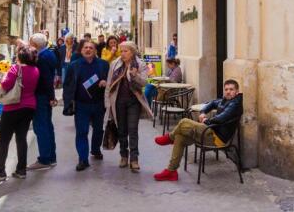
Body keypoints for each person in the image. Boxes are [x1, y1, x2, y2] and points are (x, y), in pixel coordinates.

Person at [153, 79, 243, 182]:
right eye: (226, 89)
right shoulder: (225, 100)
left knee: (184, 122)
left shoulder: (235, 104)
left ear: (237, 91)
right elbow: (213, 103)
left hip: (216, 138)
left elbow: (220, 118)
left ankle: (169, 137)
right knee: (180, 137)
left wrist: (206, 121)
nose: (228, 91)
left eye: (231, 89)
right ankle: (171, 171)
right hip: (209, 132)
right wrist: (204, 112)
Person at [0, 46, 40, 181]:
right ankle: (21, 170)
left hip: (12, 108)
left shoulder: (15, 69)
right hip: (29, 107)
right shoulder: (35, 70)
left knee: (4, 140)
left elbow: (5, 85)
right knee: (21, 139)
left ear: (20, 56)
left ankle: (0, 171)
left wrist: (4, 78)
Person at [104, 41, 153, 172]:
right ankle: (123, 156)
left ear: (132, 52)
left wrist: (135, 75)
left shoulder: (140, 65)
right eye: (121, 51)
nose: (123, 54)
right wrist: (107, 103)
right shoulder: (115, 64)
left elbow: (144, 83)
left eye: (125, 51)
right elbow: (109, 84)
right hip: (118, 101)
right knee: (121, 130)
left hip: (134, 102)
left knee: (133, 129)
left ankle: (134, 159)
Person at [63, 40, 109, 171]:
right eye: (85, 48)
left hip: (99, 104)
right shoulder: (74, 66)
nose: (88, 50)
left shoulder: (103, 65)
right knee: (82, 132)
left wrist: (106, 82)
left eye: (91, 48)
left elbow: (111, 81)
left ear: (95, 51)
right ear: (81, 50)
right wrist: (69, 102)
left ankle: (95, 149)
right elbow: (68, 85)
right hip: (81, 105)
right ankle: (83, 159)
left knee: (99, 130)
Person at [27, 33, 59, 171]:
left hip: (41, 96)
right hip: (45, 95)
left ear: (34, 44)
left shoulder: (42, 58)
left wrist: (51, 97)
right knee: (47, 125)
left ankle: (45, 158)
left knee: (41, 126)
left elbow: (46, 79)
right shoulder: (48, 54)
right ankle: (51, 157)